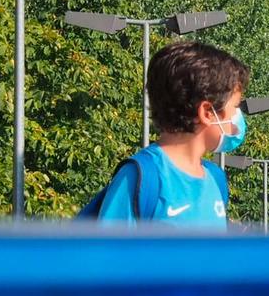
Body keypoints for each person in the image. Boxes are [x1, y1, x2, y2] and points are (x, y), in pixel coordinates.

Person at [90, 41, 249, 226]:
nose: (238, 116)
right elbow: (106, 253)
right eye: (235, 106)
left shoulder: (216, 178)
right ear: (207, 113)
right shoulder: (141, 176)